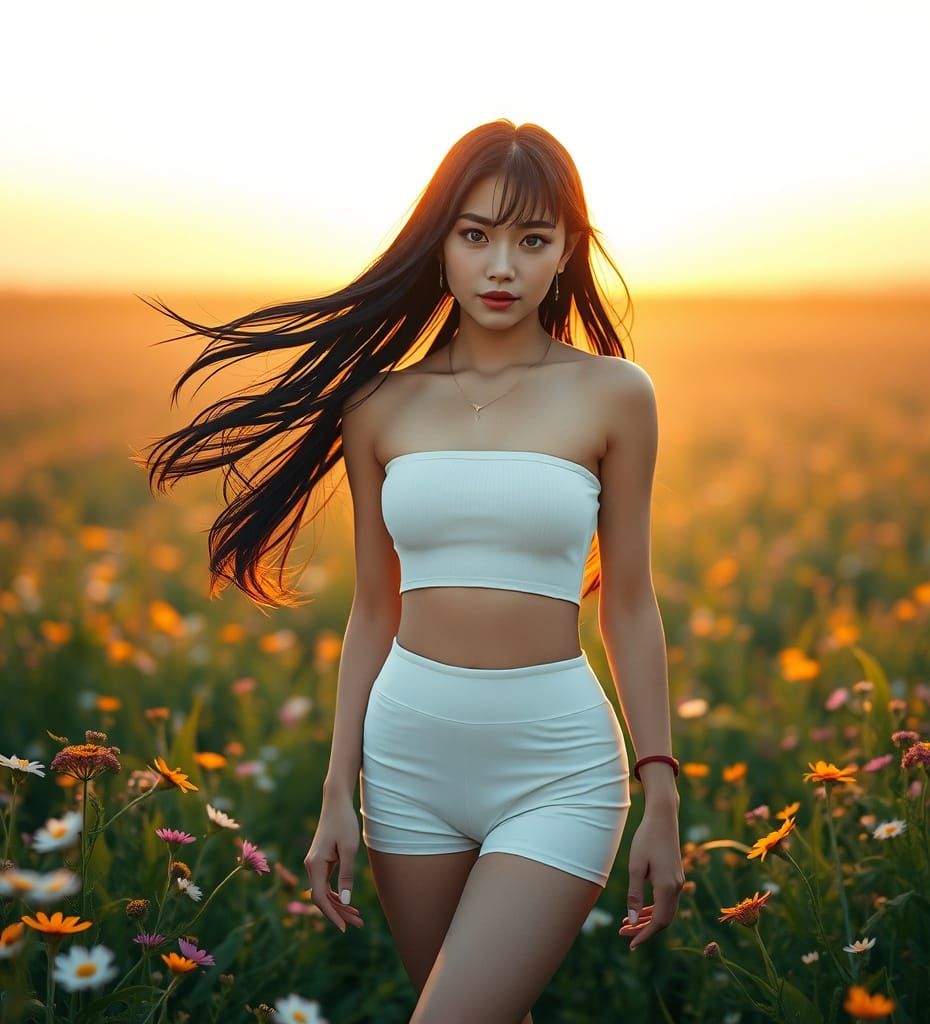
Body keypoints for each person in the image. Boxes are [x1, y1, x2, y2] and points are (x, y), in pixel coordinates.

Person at [135, 119, 683, 1024]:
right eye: (475, 235)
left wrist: (661, 784)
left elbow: (629, 603)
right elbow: (373, 613)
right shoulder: (380, 404)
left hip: (559, 765)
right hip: (408, 764)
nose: (501, 265)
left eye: (531, 239)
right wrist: (336, 789)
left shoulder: (616, 393)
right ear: (441, 245)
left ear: (564, 253)